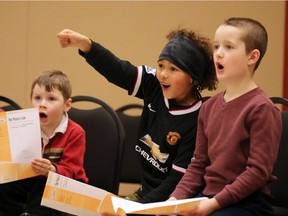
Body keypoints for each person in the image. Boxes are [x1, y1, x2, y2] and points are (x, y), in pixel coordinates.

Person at [57, 28, 218, 203]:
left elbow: (176, 181)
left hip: (172, 200)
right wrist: (86, 45)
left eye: (173, 69)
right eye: (161, 65)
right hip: (145, 194)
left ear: (192, 78)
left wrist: (137, 207)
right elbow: (119, 70)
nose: (163, 74)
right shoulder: (154, 85)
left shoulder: (199, 117)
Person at [166, 17, 282, 216]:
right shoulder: (209, 107)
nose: (218, 53)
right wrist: (174, 200)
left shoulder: (262, 109)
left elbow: (257, 173)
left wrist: (214, 204)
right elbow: (198, 165)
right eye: (216, 46)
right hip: (209, 196)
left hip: (248, 203)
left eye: (229, 47)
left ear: (252, 57)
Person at [0, 70, 88, 216]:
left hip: (66, 186)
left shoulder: (75, 132)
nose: (42, 104)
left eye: (51, 99)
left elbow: (72, 171)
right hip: (32, 181)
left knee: (44, 191)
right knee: (5, 188)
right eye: (37, 98)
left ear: (67, 105)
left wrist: (52, 170)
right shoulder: (25, 126)